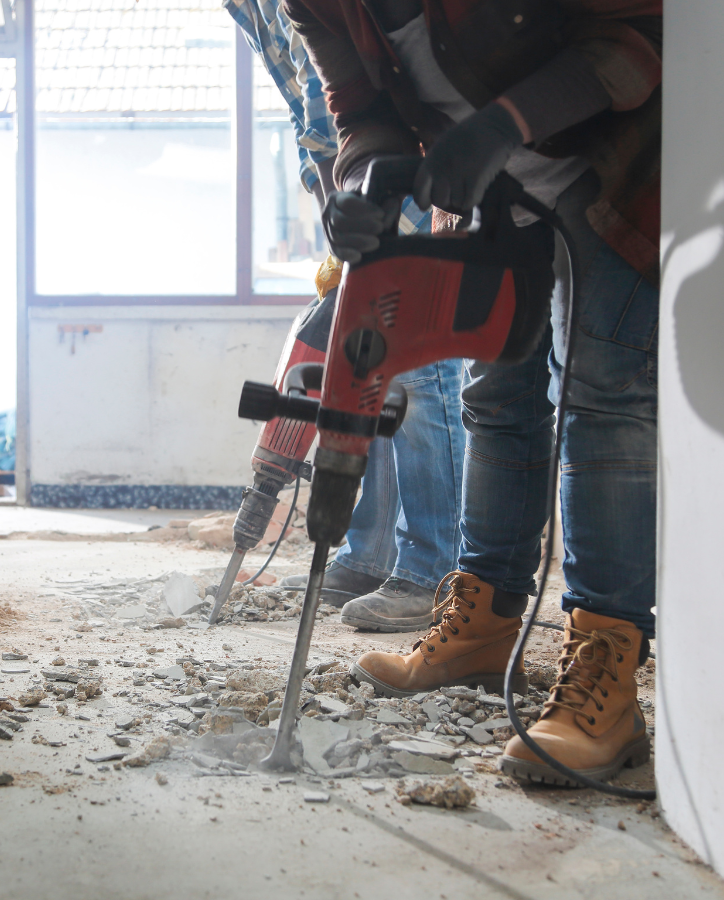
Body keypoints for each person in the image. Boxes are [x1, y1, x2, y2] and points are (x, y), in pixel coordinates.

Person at [284, 0, 661, 784]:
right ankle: (483, 630)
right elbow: (360, 112)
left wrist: (503, 123)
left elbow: (638, 42)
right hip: (494, 193)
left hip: (617, 167)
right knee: (494, 397)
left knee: (602, 398)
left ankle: (607, 682)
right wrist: (362, 182)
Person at [226, 0, 467, 632]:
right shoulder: (251, 9)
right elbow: (308, 112)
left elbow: (365, 86)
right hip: (359, 178)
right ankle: (371, 555)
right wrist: (336, 212)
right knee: (370, 368)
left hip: (417, 162)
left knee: (419, 367)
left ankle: (433, 569)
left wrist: (368, 200)